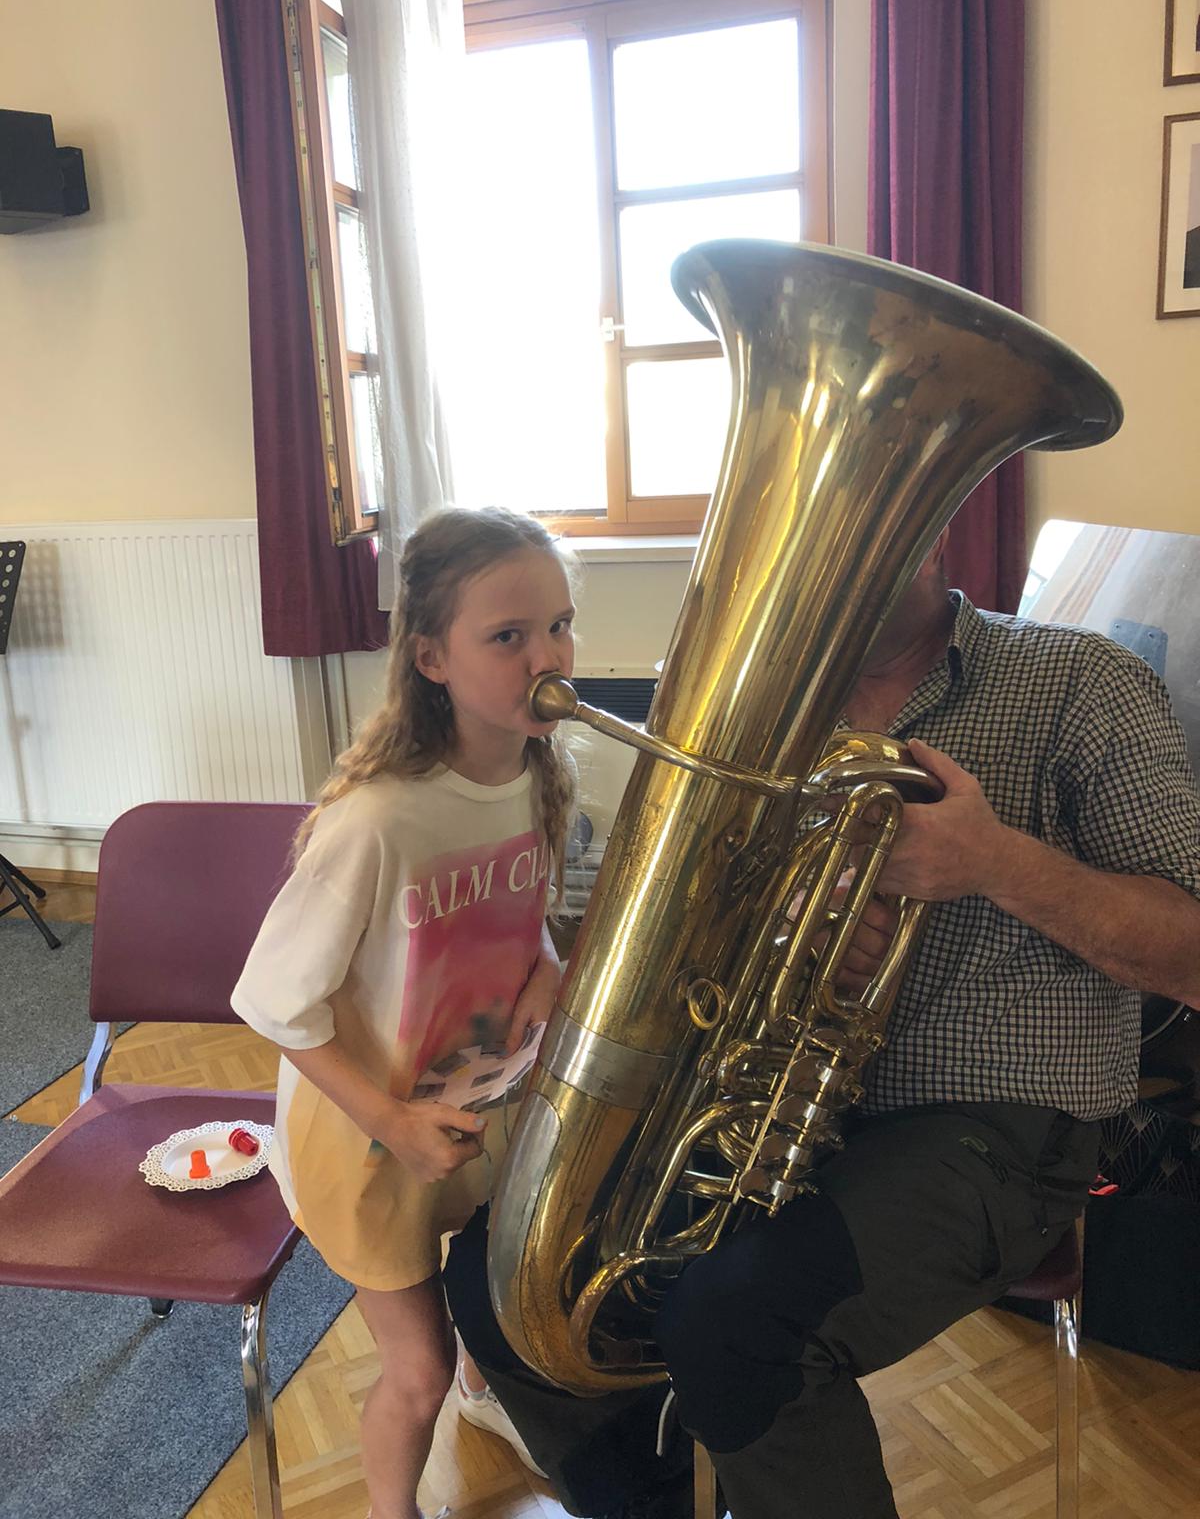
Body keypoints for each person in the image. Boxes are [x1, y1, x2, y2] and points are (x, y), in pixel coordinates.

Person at [443, 528, 1200, 1519]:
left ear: (937, 521)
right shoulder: (759, 722)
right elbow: (696, 934)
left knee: (739, 1322)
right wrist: (787, 931)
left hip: (994, 1128)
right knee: (503, 1271)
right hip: (768, 1095)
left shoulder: (1078, 680)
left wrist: (993, 862)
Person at [231, 506, 578, 1519]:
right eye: (508, 636)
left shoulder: (537, 773)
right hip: (369, 1138)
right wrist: (391, 1119)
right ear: (431, 658)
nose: (548, 658)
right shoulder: (378, 820)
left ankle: (485, 1397)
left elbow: (527, 924)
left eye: (559, 626)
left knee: (486, 1294)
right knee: (415, 1371)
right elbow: (271, 1001)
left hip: (475, 1112)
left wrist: (548, 970)